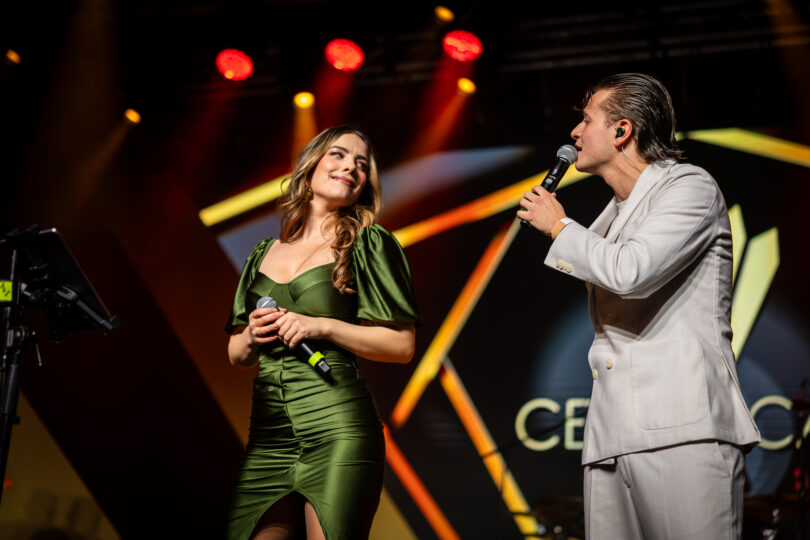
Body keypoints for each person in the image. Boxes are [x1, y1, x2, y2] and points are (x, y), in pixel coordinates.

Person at [517, 73, 760, 538]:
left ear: (622, 130)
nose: (574, 132)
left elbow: (632, 272)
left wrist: (559, 226)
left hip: (681, 428)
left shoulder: (689, 187)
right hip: (610, 436)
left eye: (586, 120)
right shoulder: (613, 213)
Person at [225, 125, 420, 540]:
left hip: (337, 426)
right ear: (310, 165)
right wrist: (253, 336)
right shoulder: (263, 252)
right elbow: (237, 354)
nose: (351, 166)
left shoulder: (368, 243)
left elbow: (402, 345)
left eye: (362, 164)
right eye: (339, 154)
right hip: (269, 435)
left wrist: (322, 325)